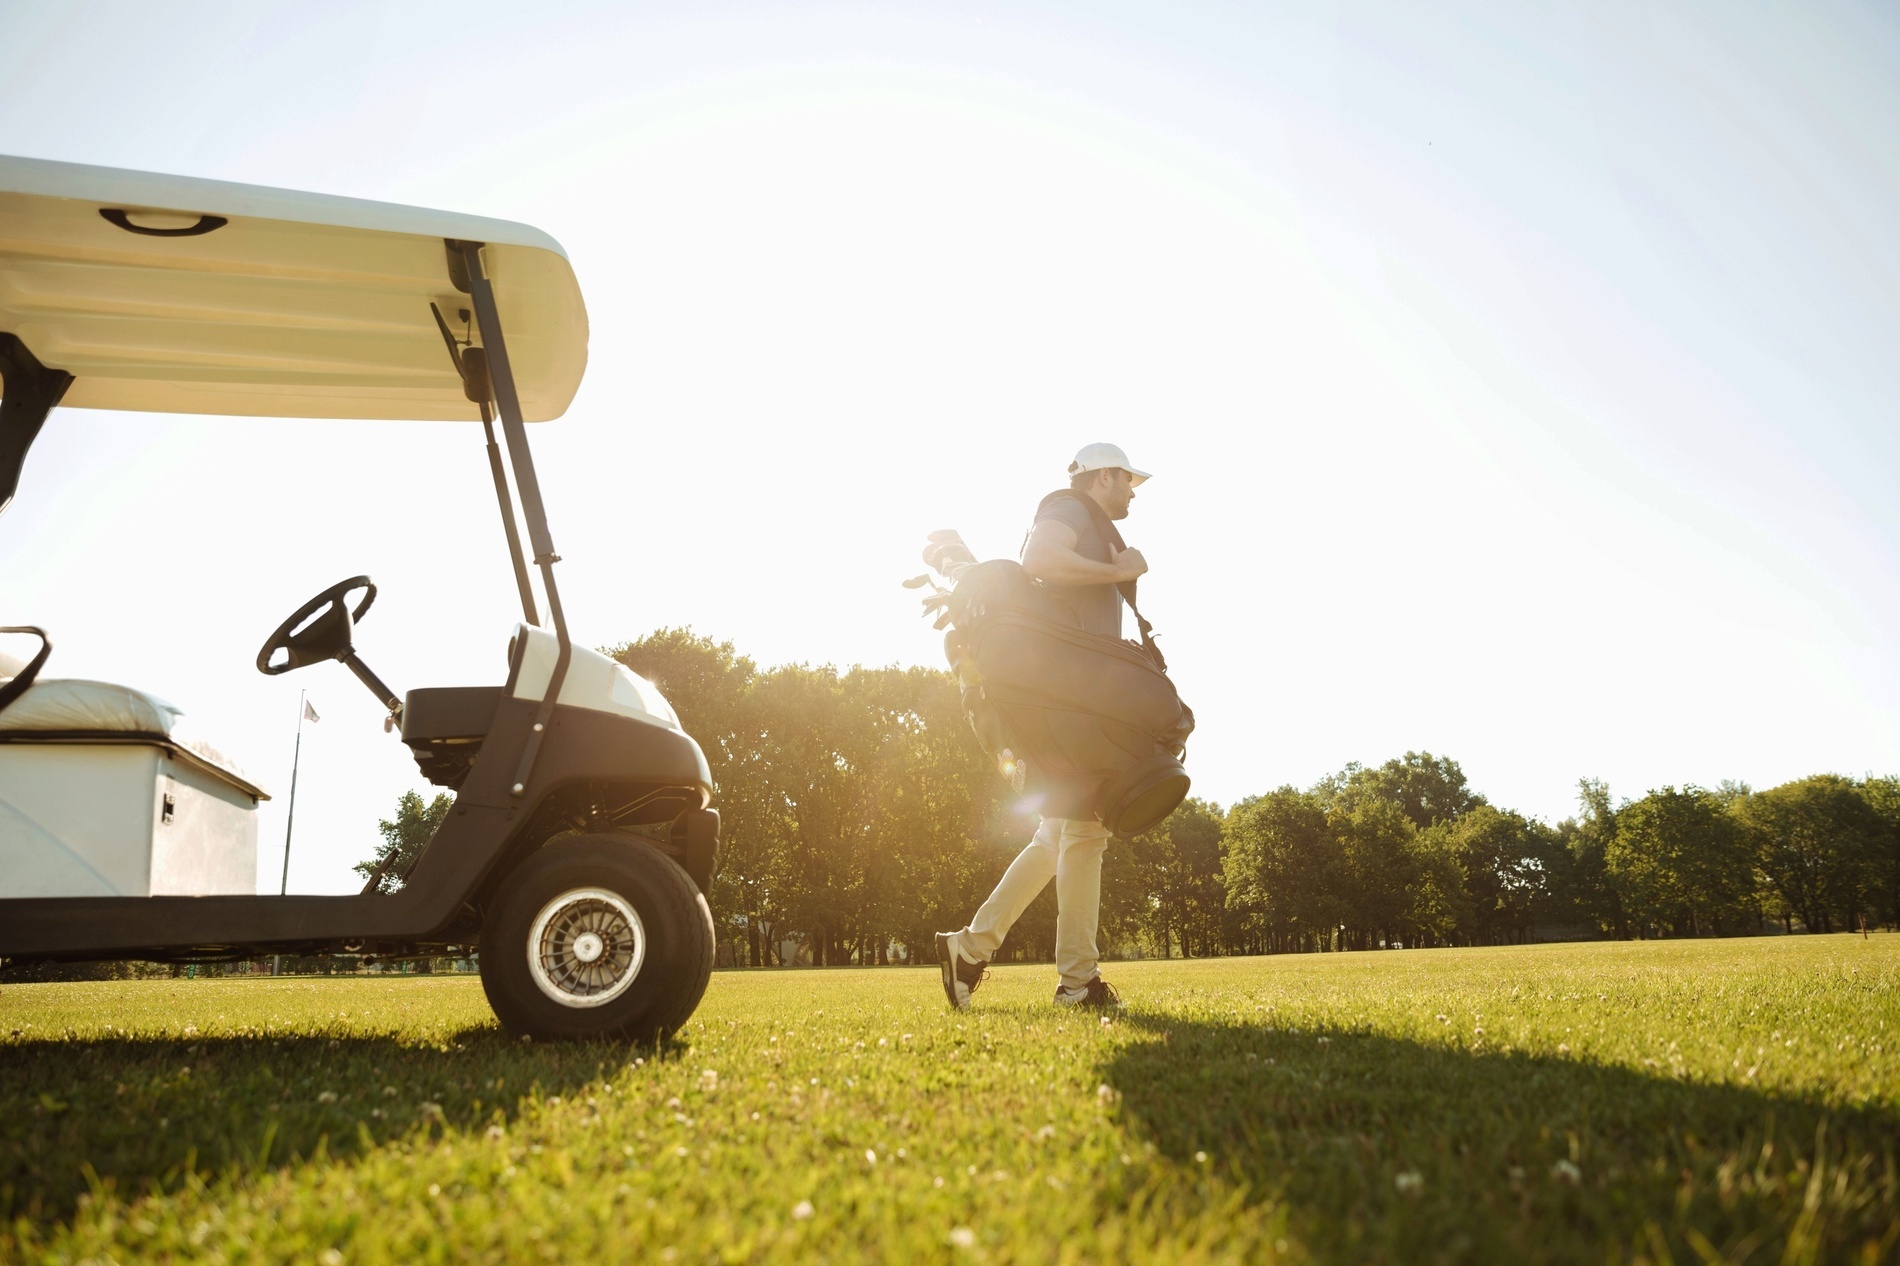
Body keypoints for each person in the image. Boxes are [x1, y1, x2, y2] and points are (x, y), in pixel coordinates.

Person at [935, 442, 1152, 1011]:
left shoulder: (1084, 516)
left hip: (1073, 696)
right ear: (1104, 475)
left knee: (1055, 835)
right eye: (1129, 480)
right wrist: (1118, 568)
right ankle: (1077, 983)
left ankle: (969, 949)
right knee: (1083, 832)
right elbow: (1040, 562)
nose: (1133, 492)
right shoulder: (1071, 508)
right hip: (1073, 702)